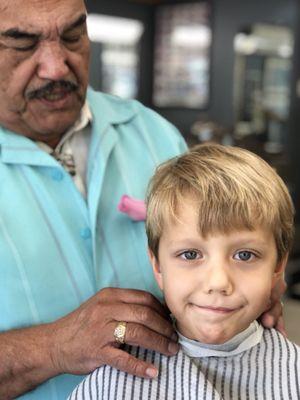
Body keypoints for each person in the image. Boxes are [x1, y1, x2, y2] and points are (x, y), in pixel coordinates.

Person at [0, 0, 286, 398]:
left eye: (72, 36)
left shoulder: (154, 133)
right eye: (21, 43)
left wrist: (256, 270)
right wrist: (51, 347)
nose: (56, 66)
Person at [69, 144, 300, 400]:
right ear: (157, 265)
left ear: (278, 267)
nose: (218, 282)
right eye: (190, 254)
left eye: (244, 255)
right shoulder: (109, 386)